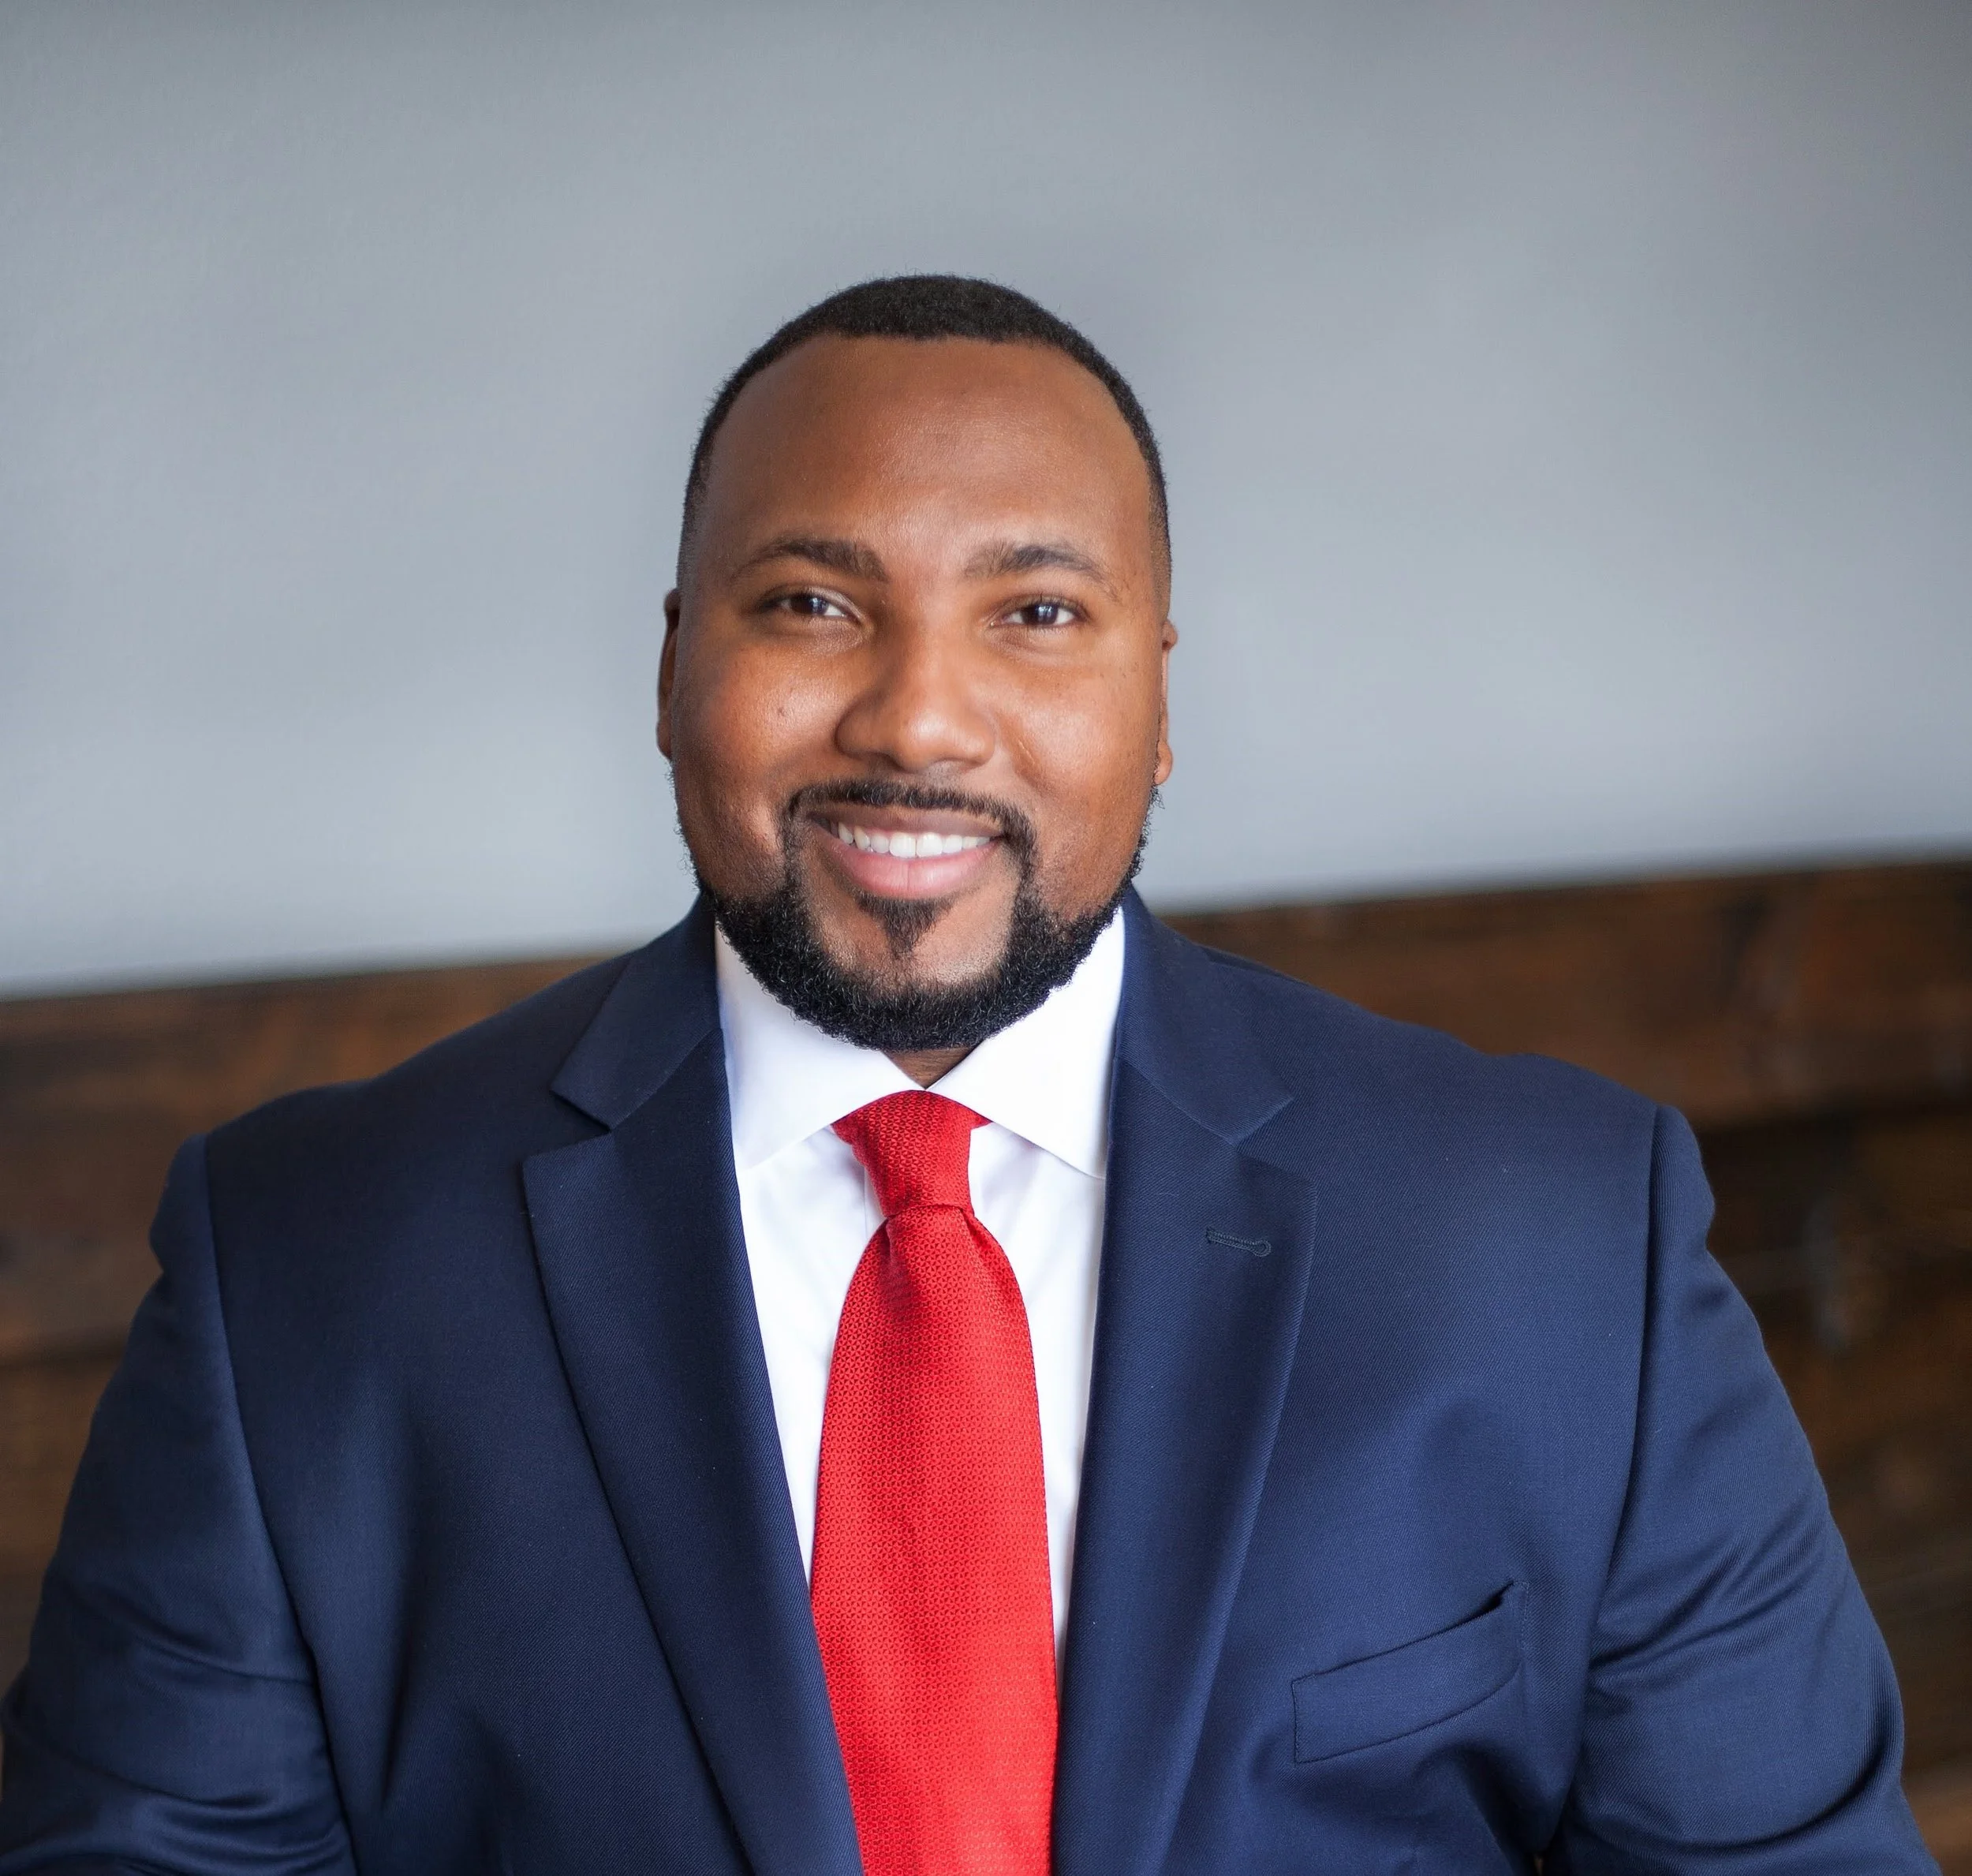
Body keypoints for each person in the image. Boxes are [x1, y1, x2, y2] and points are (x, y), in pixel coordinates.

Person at [0, 275, 1937, 1875]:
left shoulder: (1557, 1241)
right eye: (810, 603)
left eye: (1034, 613)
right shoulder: (302, 1266)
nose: (917, 712)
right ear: (675, 671)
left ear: (1157, 698)